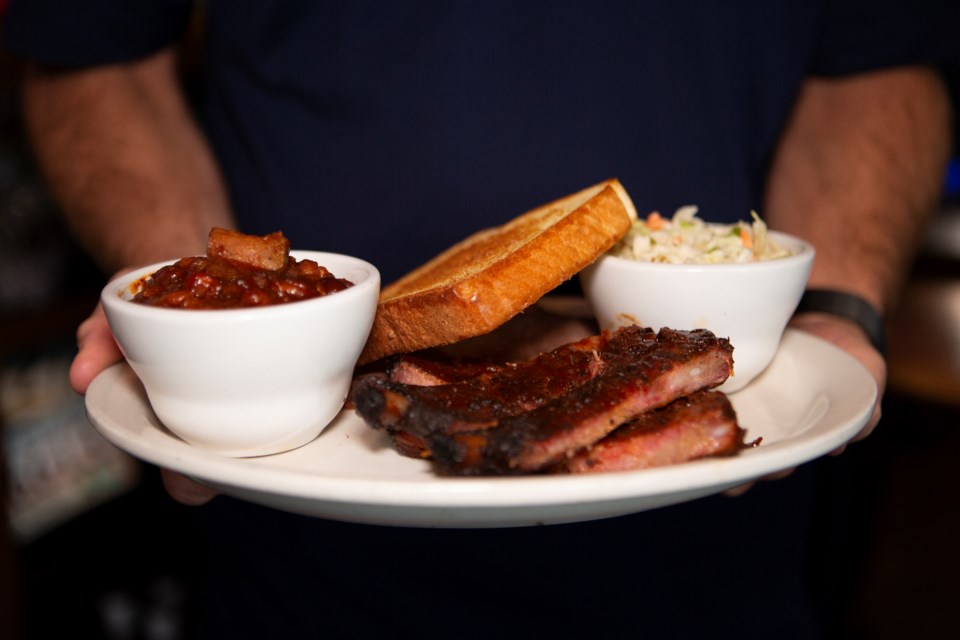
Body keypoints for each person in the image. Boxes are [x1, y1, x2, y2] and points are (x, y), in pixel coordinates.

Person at [3, 1, 955, 637]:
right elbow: (93, 50)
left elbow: (879, 55)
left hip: (723, 553)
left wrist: (833, 308)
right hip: (292, 540)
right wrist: (201, 316)